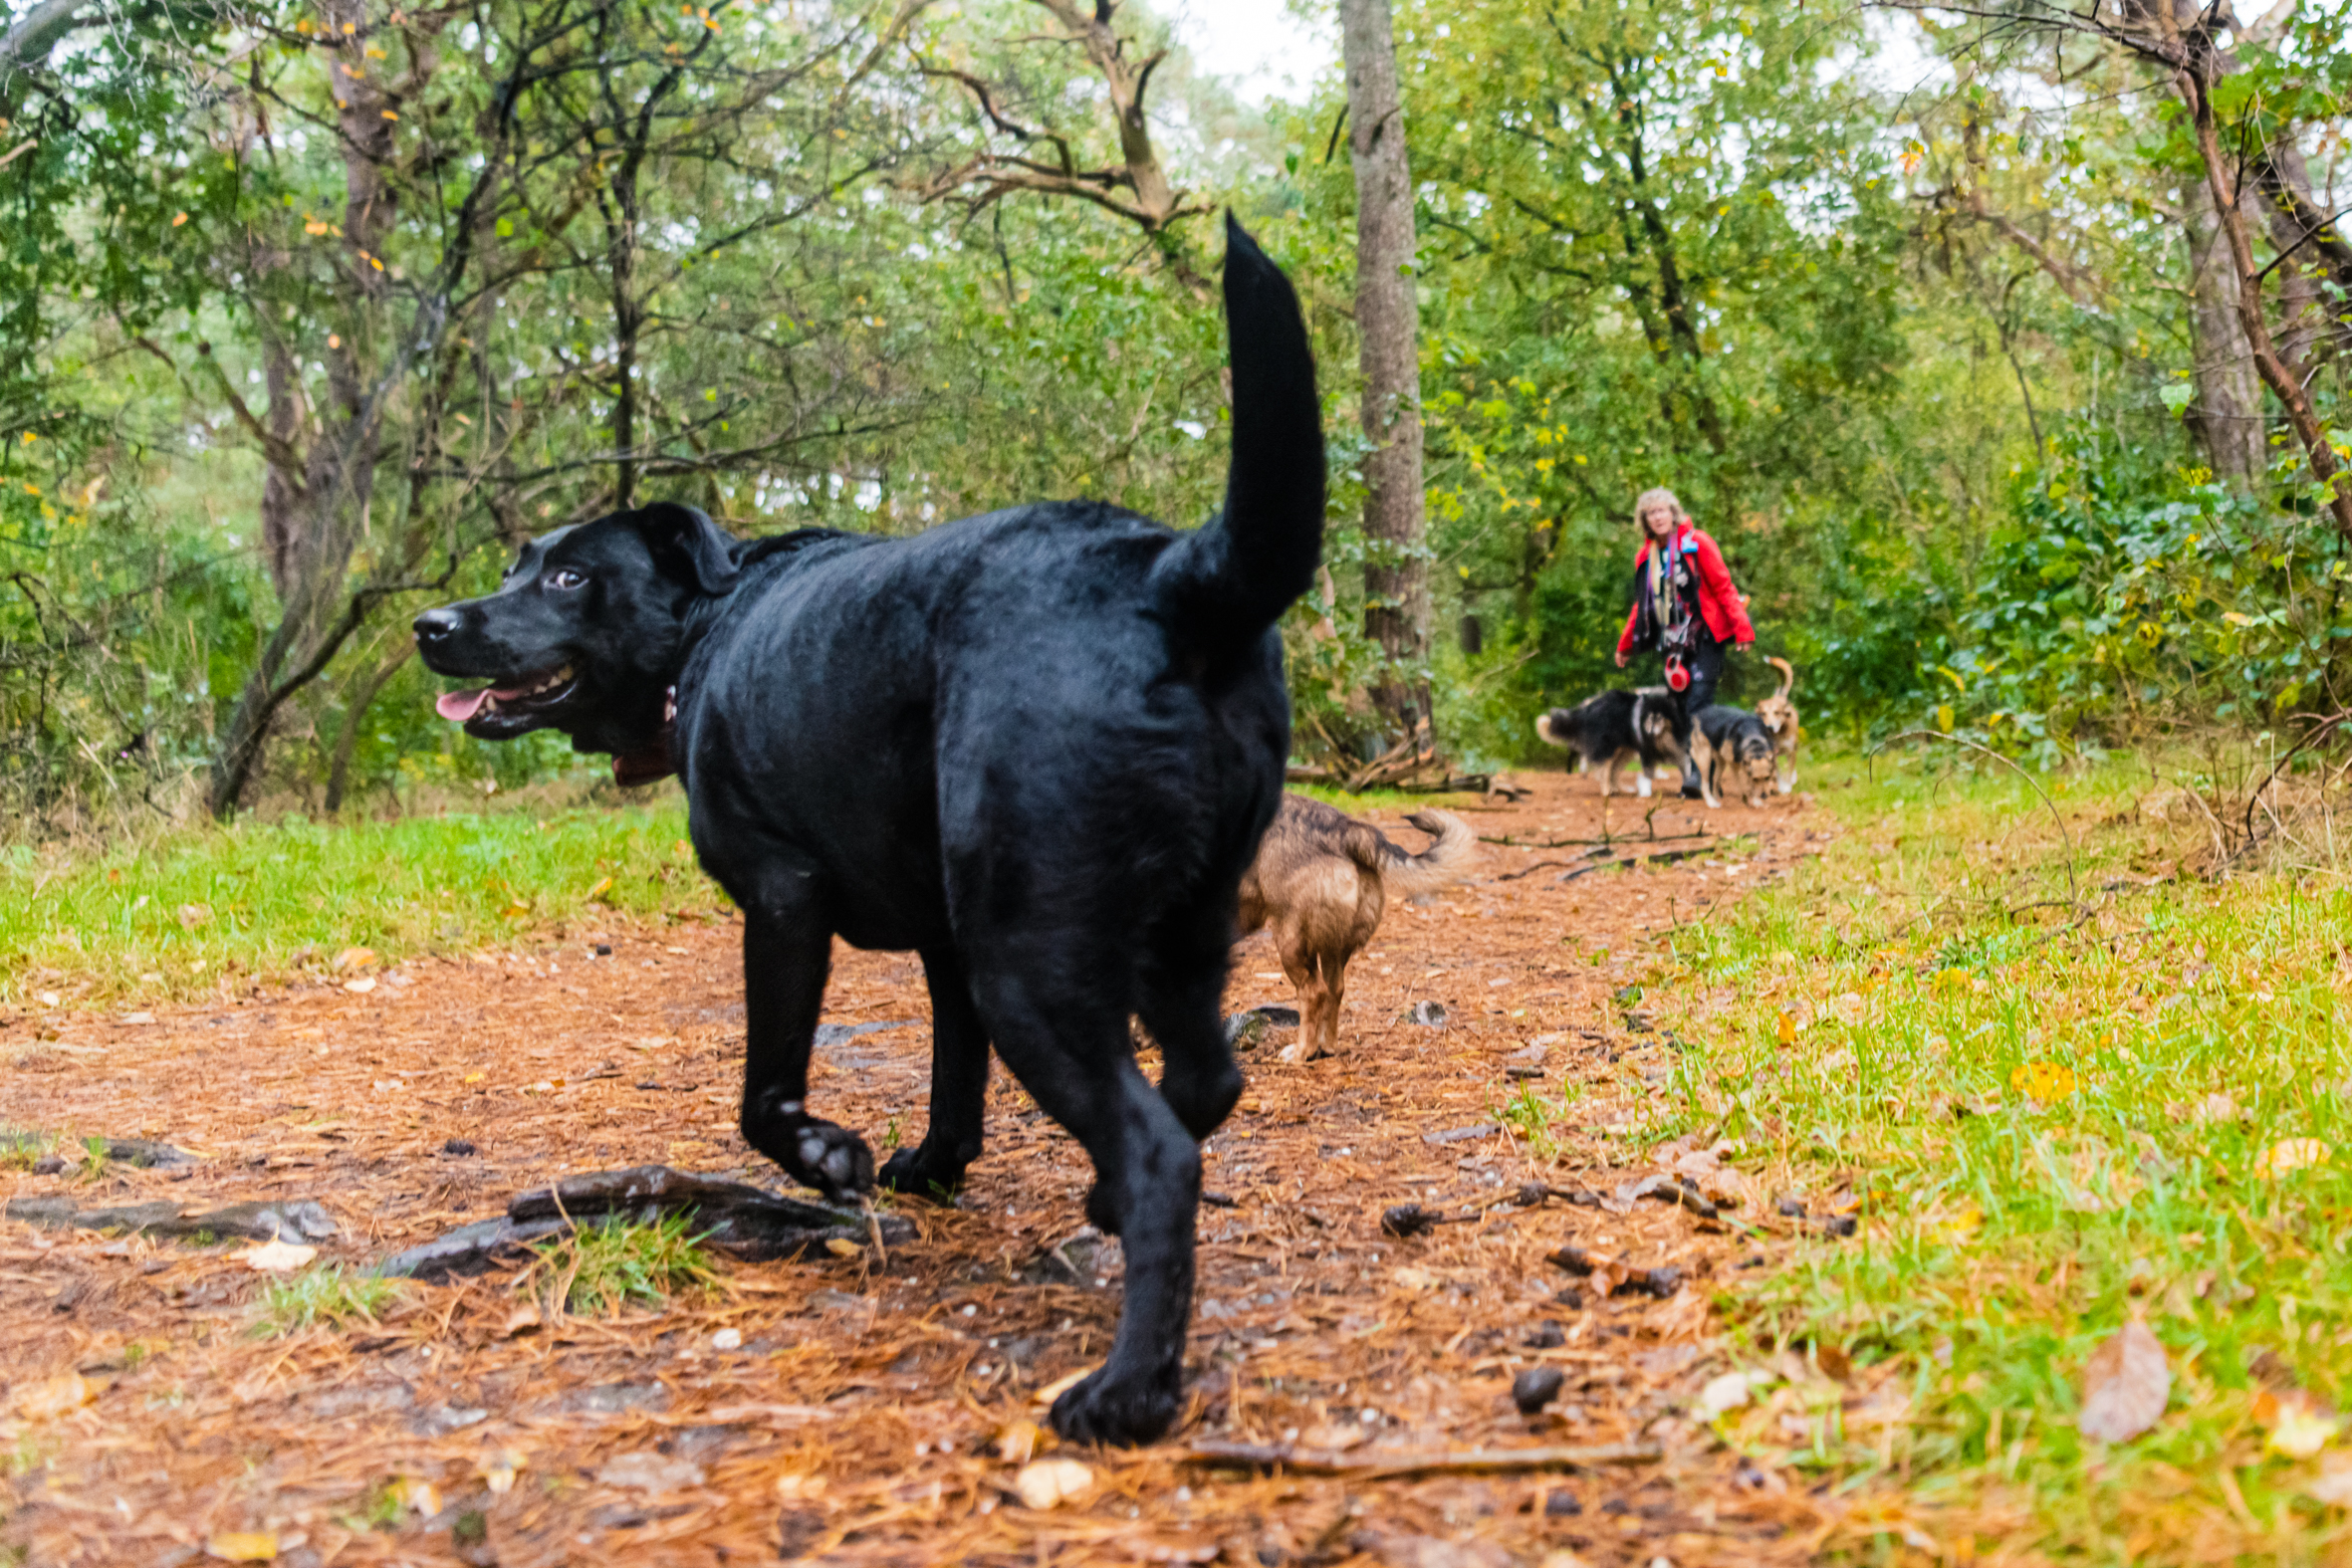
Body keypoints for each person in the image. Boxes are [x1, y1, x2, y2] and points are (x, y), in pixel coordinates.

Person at [1612, 487, 1755, 798]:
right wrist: (1625, 645)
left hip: (1706, 634)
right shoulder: (1646, 557)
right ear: (1645, 521)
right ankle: (1698, 770)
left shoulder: (1697, 543)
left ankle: (1698, 776)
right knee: (1680, 708)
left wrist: (1742, 629)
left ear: (1673, 513)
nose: (1658, 517)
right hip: (1674, 642)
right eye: (1651, 513)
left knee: (1699, 703)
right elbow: (1642, 605)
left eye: (1662, 510)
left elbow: (1724, 587)